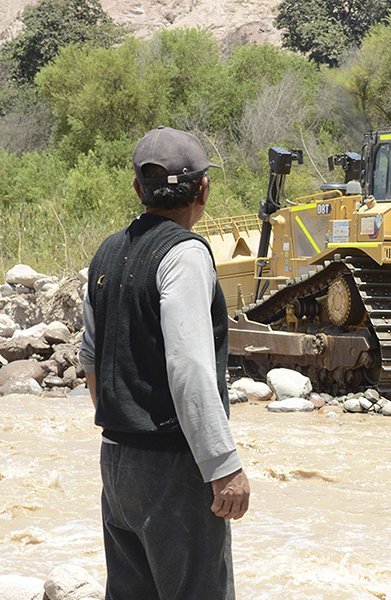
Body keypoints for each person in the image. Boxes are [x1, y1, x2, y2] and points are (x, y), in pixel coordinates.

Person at [79, 126, 250, 600]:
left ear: (139, 190)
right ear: (204, 189)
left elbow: (90, 357)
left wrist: (121, 423)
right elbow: (190, 367)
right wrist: (223, 465)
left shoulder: (107, 253)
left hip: (116, 462)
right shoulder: (186, 254)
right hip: (173, 467)